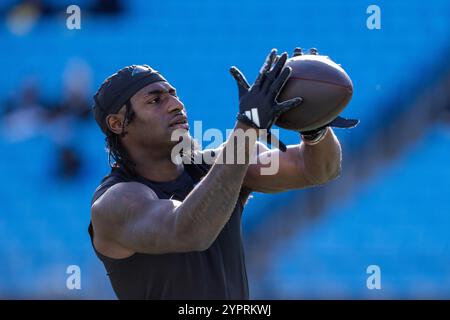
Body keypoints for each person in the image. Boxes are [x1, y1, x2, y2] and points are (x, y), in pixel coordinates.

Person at [89, 49, 344, 299]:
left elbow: (317, 170)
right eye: (155, 100)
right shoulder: (115, 202)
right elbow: (189, 231)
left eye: (173, 95)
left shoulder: (221, 163)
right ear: (117, 123)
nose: (176, 105)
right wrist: (248, 126)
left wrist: (314, 127)